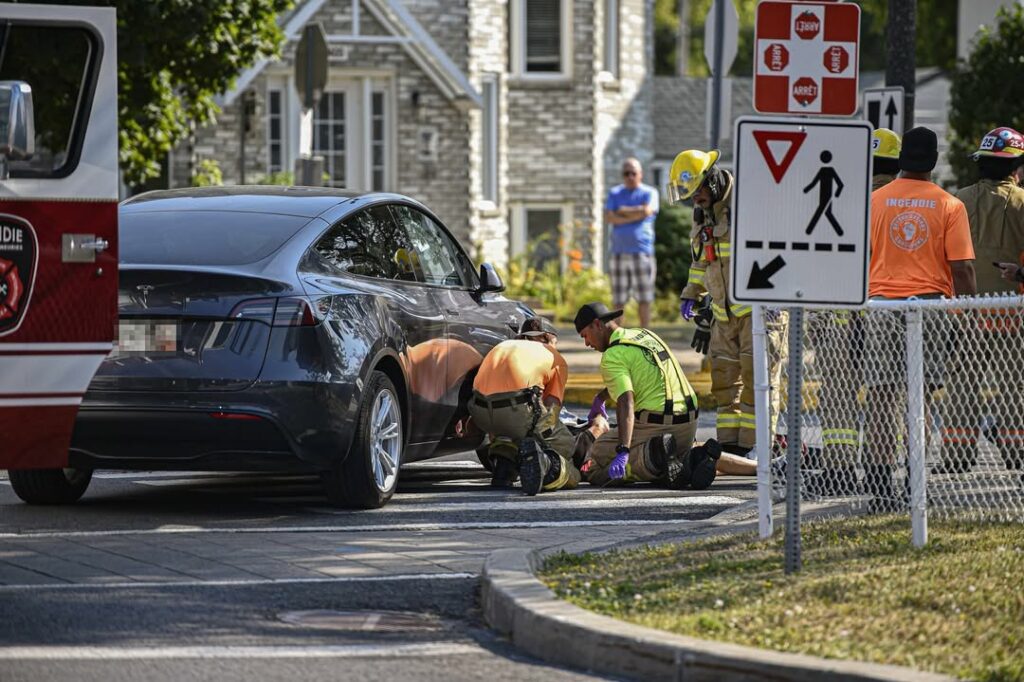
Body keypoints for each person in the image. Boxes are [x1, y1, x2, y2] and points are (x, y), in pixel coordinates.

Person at [866, 125, 977, 511]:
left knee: (881, 397)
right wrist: (966, 314)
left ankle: (879, 487)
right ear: (933, 161)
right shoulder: (949, 205)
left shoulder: (875, 202)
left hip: (879, 305)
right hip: (930, 307)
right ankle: (916, 482)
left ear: (901, 160)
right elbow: (962, 269)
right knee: (921, 397)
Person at [669, 149, 786, 458]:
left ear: (714, 181)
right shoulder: (702, 214)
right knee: (723, 383)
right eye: (690, 195)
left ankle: (760, 446)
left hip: (760, 312)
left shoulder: (748, 207)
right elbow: (702, 263)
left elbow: (776, 255)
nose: (695, 200)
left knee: (758, 378)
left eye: (697, 192)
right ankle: (731, 449)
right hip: (724, 313)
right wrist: (692, 295)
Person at [573, 302, 761, 489]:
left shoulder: (612, 356)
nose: (587, 343)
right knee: (683, 451)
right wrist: (602, 397)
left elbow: (626, 403)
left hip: (658, 424)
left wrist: (623, 450)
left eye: (585, 336)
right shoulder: (644, 334)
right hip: (689, 421)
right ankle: (758, 467)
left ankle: (653, 460)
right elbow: (642, 376)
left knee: (597, 460)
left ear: (597, 324)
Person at [934, 127, 1024, 473]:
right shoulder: (1020, 202)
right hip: (1012, 313)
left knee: (962, 383)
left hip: (965, 313)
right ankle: (1017, 455)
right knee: (1014, 383)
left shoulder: (955, 201)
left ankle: (956, 457)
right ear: (1015, 166)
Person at [468, 317, 609, 495]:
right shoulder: (552, 356)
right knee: (566, 451)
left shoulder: (502, 346)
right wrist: (548, 441)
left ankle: (504, 468)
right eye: (555, 343)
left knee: (510, 432)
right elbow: (551, 407)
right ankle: (547, 466)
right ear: (547, 338)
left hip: (479, 413)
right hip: (516, 411)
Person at [605, 157, 659, 328]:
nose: (629, 176)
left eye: (633, 173)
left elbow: (648, 211)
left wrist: (621, 212)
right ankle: (617, 337)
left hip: (642, 253)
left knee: (644, 298)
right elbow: (609, 217)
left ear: (640, 174)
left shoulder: (649, 193)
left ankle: (645, 335)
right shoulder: (615, 193)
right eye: (626, 173)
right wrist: (637, 212)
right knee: (618, 299)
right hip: (618, 253)